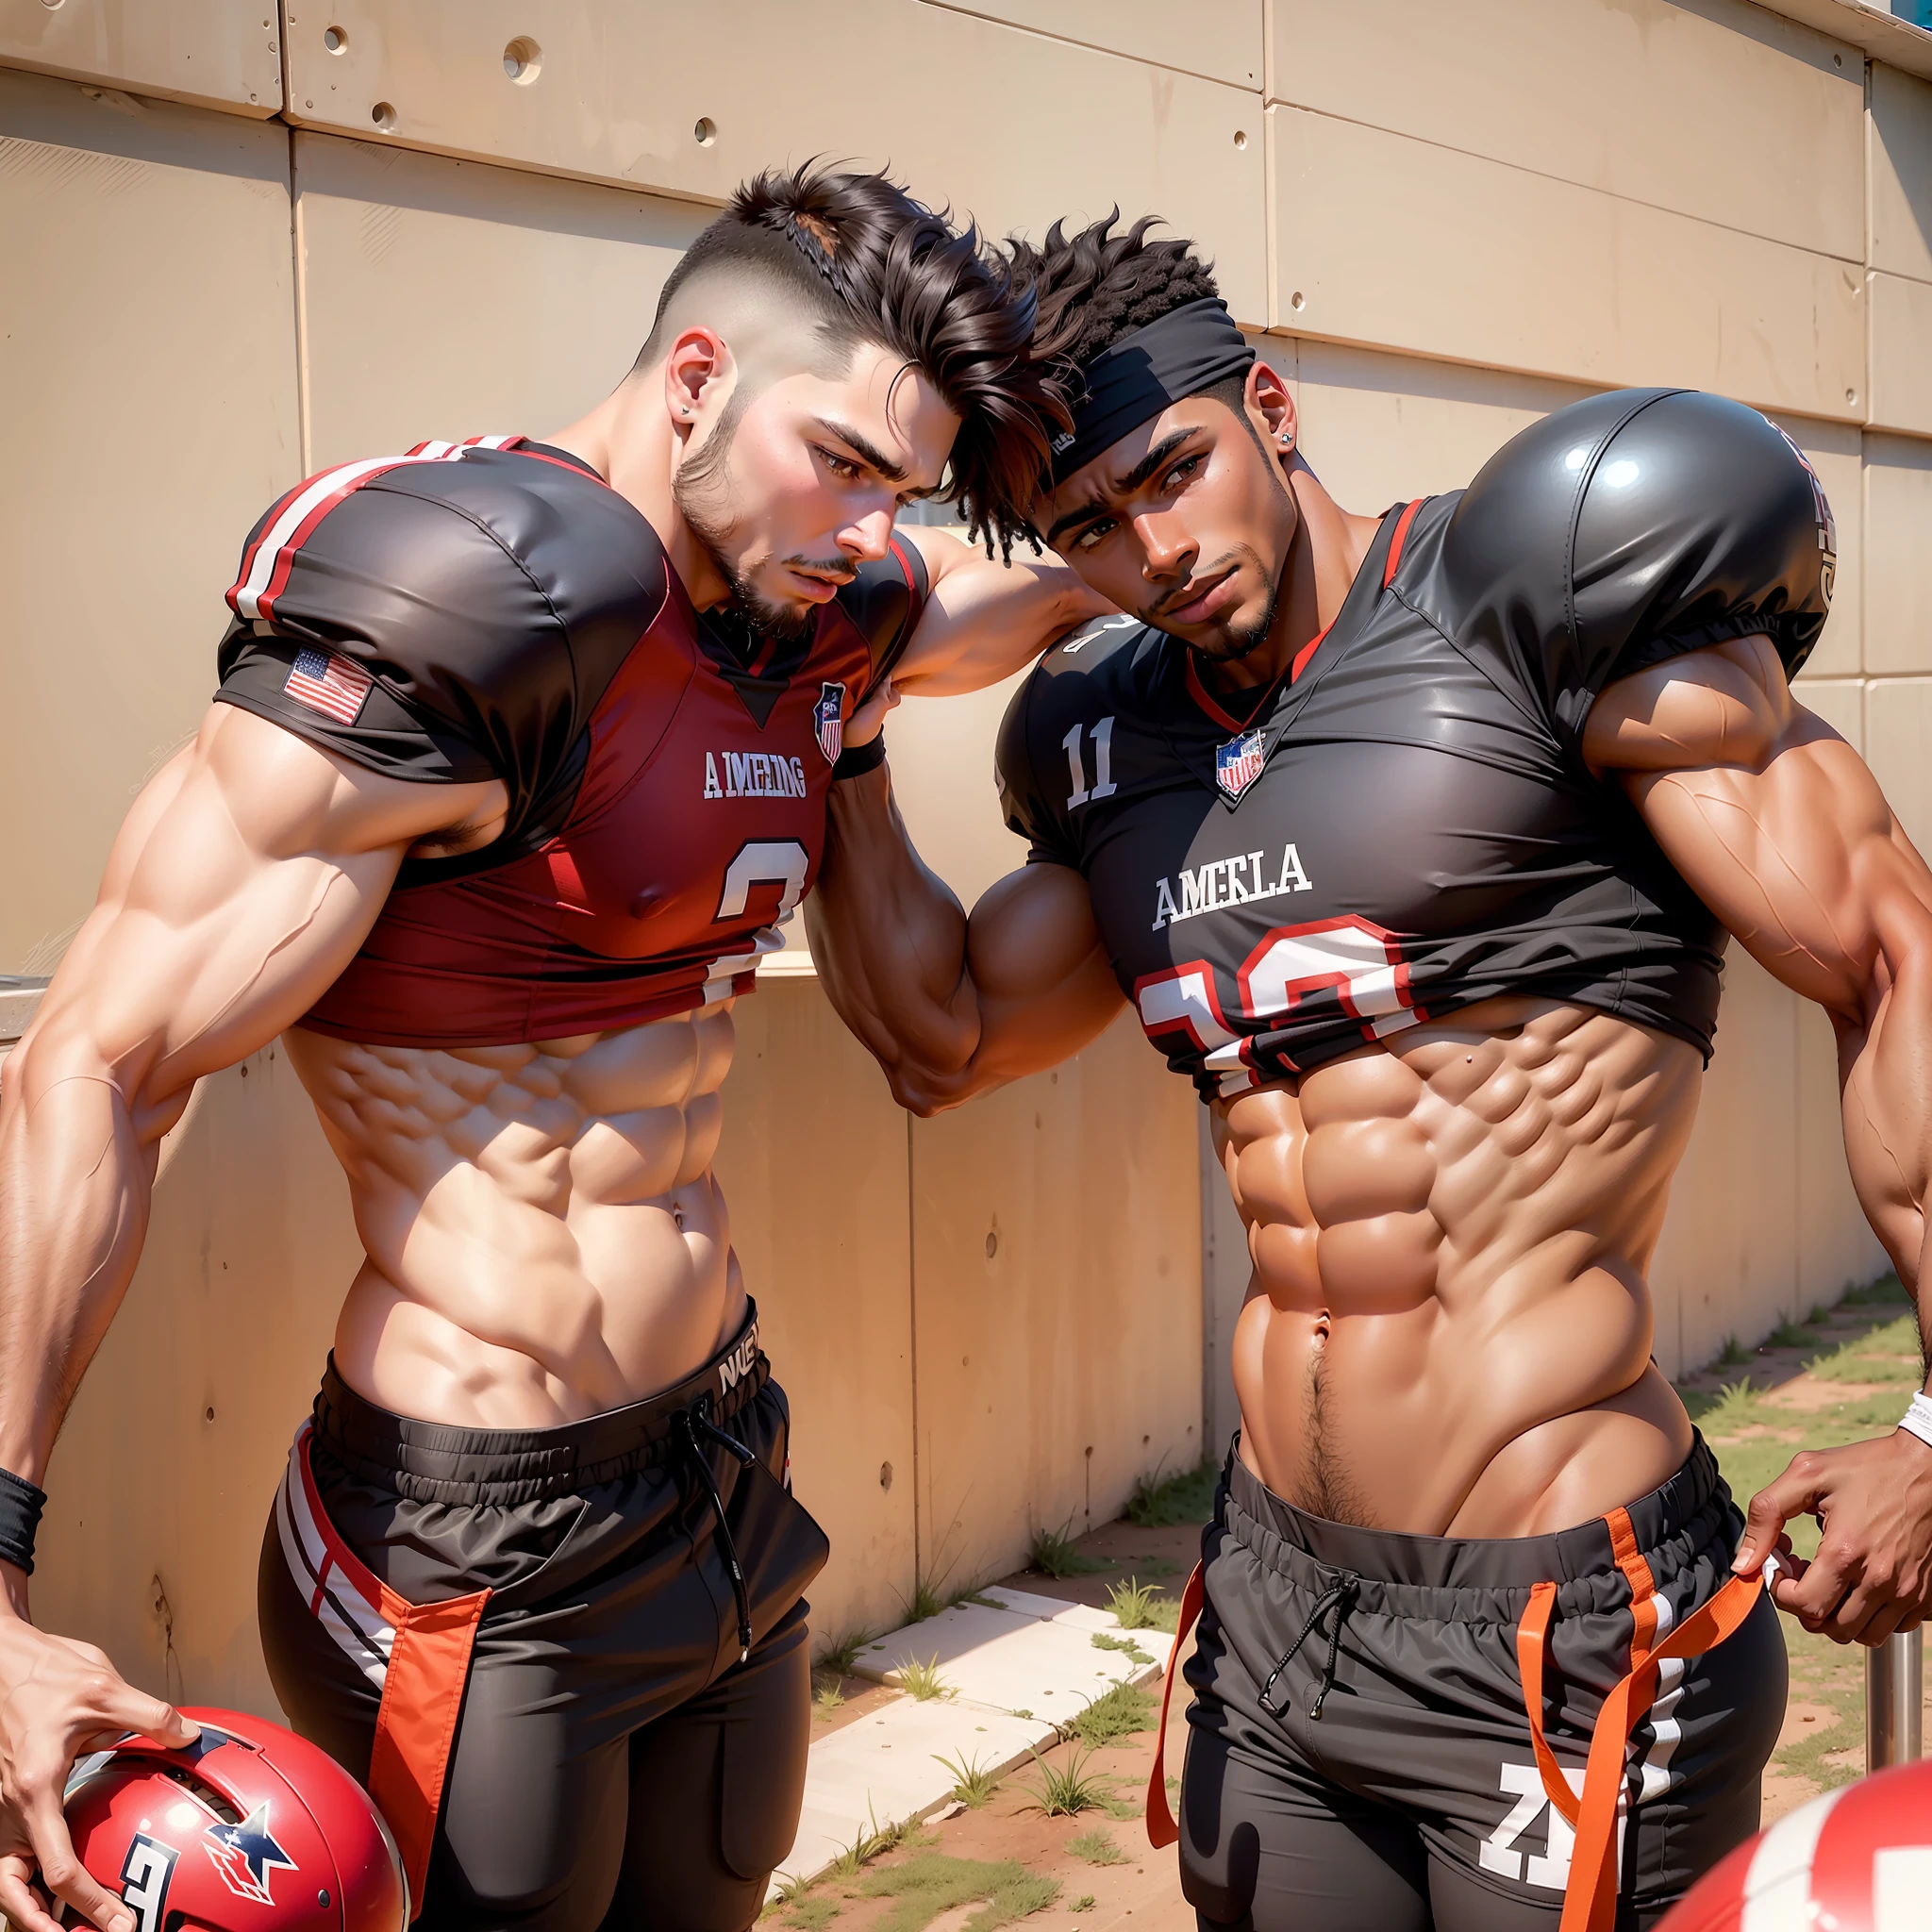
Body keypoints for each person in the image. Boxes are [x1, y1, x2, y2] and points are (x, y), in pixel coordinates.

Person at [0, 163, 1102, 1932]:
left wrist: (1156, 581)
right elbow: (97, 1067)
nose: (867, 520)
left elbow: (987, 607)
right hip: (473, 1531)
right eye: (839, 458)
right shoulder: (470, 606)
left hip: (723, 1459)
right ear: (691, 382)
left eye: (897, 485)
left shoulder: (821, 606)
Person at [805, 215, 1932, 1932]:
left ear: (1269, 404)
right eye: (1086, 527)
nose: (1151, 549)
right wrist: (848, 720)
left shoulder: (1529, 601)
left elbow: (1895, 950)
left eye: (1171, 471)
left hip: (1560, 1615)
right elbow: (942, 1035)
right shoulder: (1104, 740)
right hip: (1274, 1603)